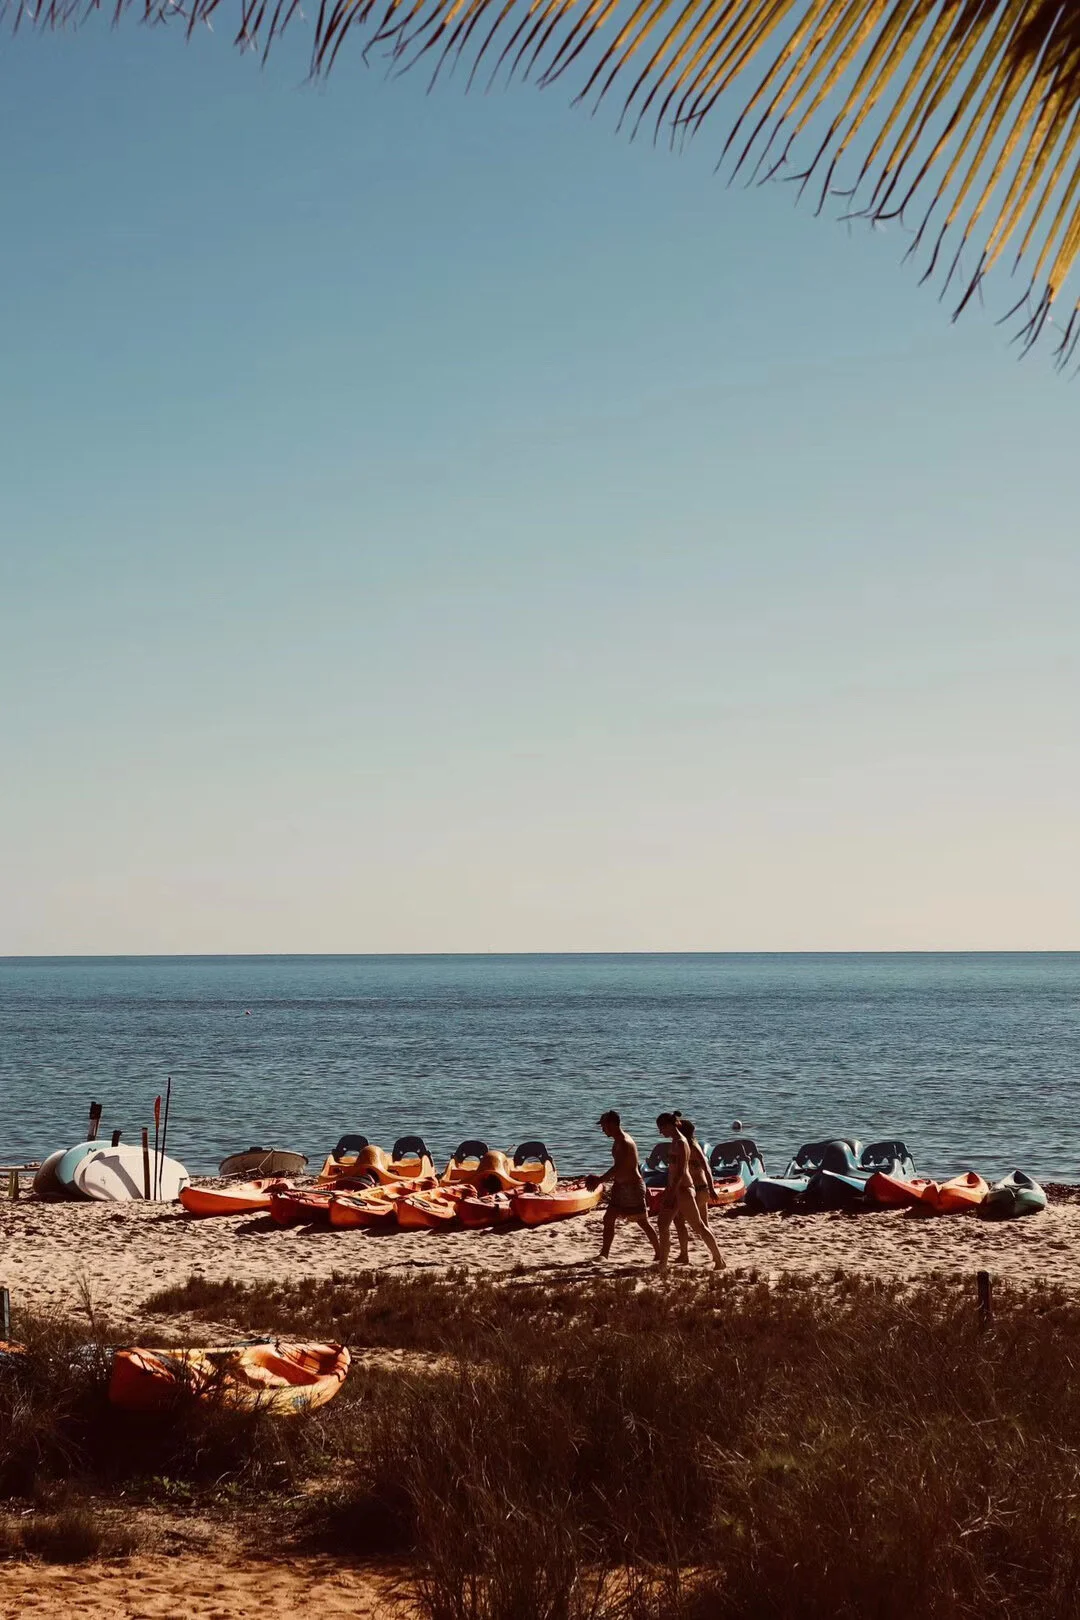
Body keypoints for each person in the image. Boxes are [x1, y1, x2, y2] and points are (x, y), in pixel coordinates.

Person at [655, 1110, 724, 1272]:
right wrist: (667, 1190)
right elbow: (672, 1171)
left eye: (661, 1128)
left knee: (699, 1226)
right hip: (674, 1188)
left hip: (684, 1189)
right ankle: (663, 1264)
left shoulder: (682, 1143)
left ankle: (719, 1259)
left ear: (669, 1126)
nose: (660, 1132)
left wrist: (671, 1194)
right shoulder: (674, 1142)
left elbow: (680, 1173)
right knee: (663, 1224)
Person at [588, 1111, 660, 1262]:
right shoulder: (618, 1140)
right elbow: (621, 1167)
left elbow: (618, 1167)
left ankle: (659, 1252)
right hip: (620, 1186)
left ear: (612, 1124)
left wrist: (599, 1180)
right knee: (608, 1218)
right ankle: (604, 1254)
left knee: (642, 1222)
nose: (603, 1129)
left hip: (632, 1188)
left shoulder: (624, 1142)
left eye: (604, 1126)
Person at [671, 1117, 714, 1263]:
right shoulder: (692, 1145)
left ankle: (685, 1255)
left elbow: (706, 1168)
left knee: (680, 1221)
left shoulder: (688, 1146)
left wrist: (712, 1188)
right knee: (703, 1225)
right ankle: (715, 1256)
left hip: (695, 1190)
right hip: (702, 1189)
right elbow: (706, 1168)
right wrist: (711, 1188)